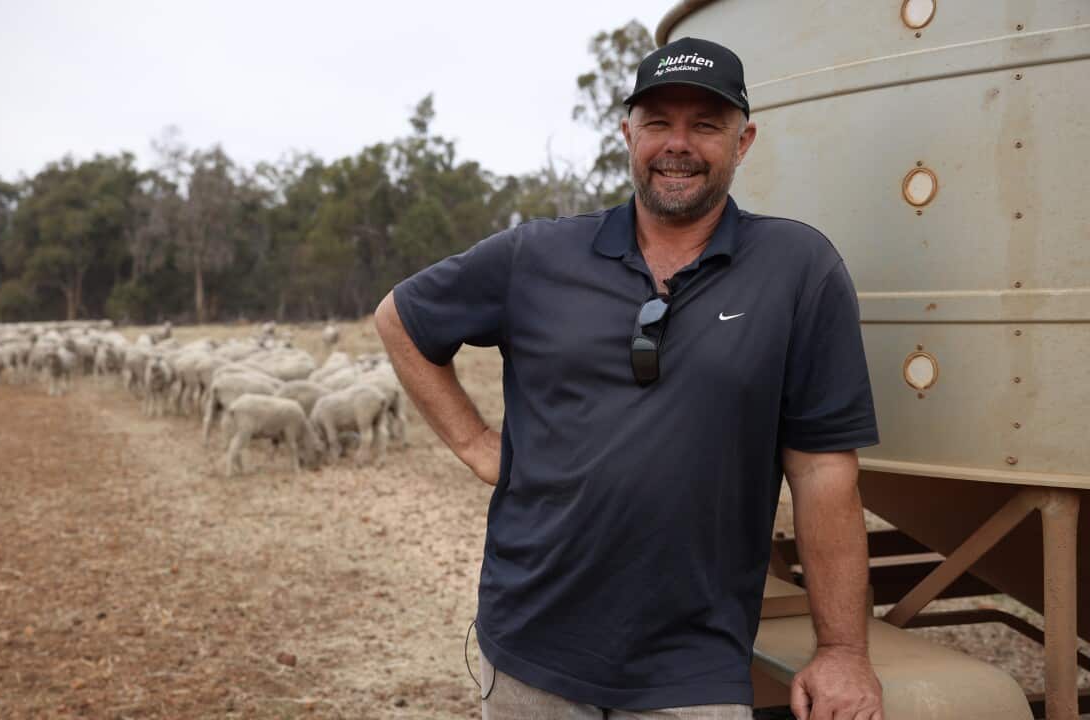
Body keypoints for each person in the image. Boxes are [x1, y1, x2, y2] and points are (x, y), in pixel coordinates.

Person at [375, 37, 883, 720]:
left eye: (705, 124)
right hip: (533, 645)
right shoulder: (538, 255)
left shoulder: (797, 269)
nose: (679, 143)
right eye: (658, 123)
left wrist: (845, 651)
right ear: (627, 134)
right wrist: (473, 444)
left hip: (694, 662)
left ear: (744, 139)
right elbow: (400, 317)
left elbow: (824, 472)